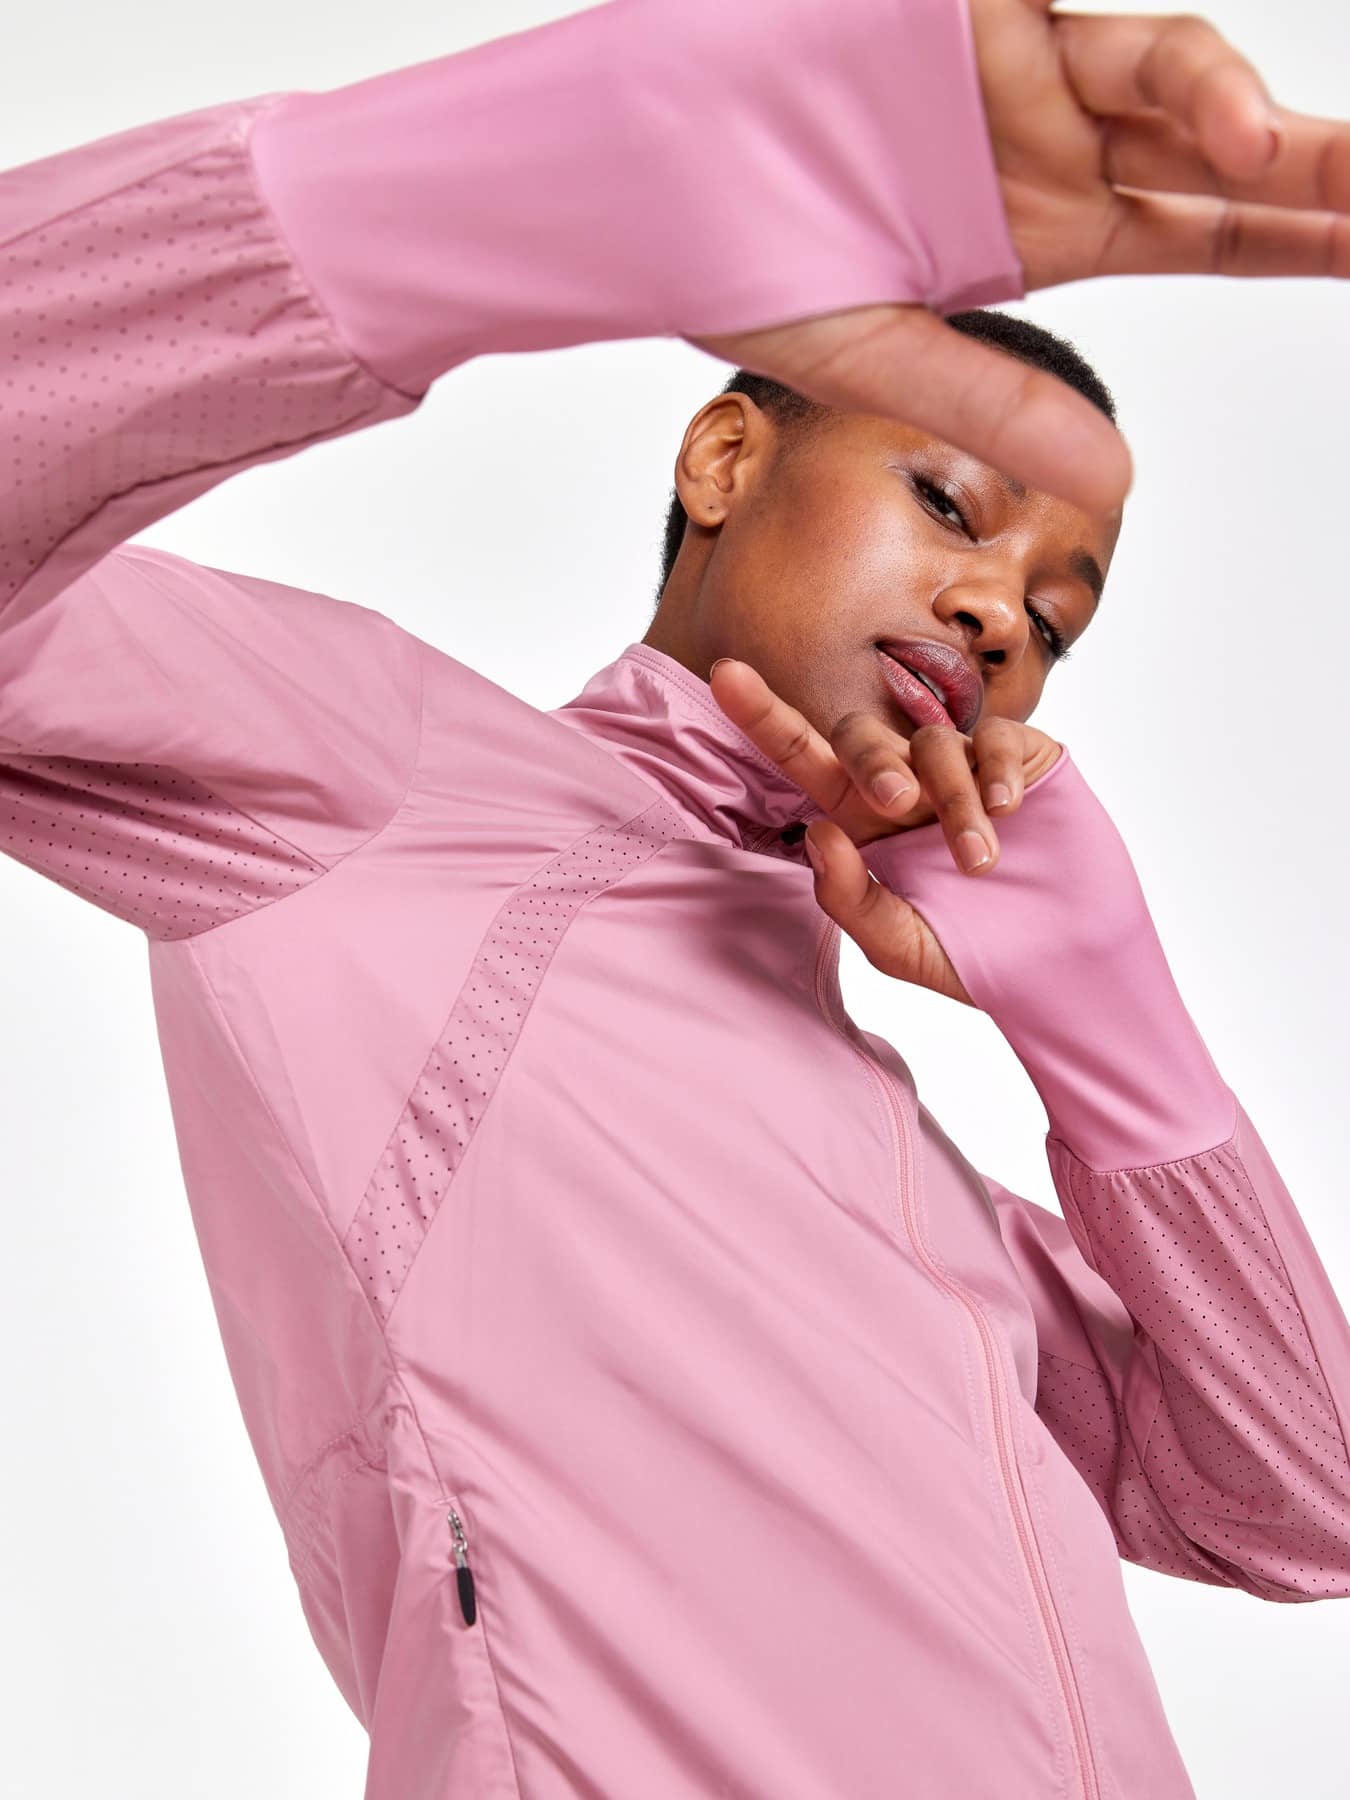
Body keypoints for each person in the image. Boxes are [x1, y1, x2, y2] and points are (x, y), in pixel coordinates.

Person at [2, 0, 1348, 1794]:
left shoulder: (898, 1175)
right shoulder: (385, 779)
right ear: (723, 461)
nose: (995, 616)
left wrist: (1115, 1033)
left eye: (1051, 619)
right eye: (948, 503)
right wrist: (479, 196)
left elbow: (1299, 1506)